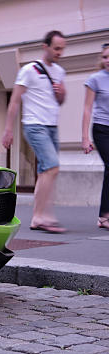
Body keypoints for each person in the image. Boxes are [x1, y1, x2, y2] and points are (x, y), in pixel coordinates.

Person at [2, 30, 67, 233]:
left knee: (45, 171)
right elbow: (14, 101)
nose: (59, 52)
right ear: (45, 47)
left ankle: (38, 217)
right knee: (52, 168)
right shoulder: (29, 70)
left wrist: (61, 93)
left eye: (62, 49)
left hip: (52, 126)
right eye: (56, 48)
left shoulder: (59, 71)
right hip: (34, 125)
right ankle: (43, 216)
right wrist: (8, 130)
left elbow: (61, 101)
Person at [82, 42, 109, 230]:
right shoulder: (95, 79)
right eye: (105, 57)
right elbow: (87, 109)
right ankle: (104, 216)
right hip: (101, 129)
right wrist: (85, 138)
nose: (108, 60)